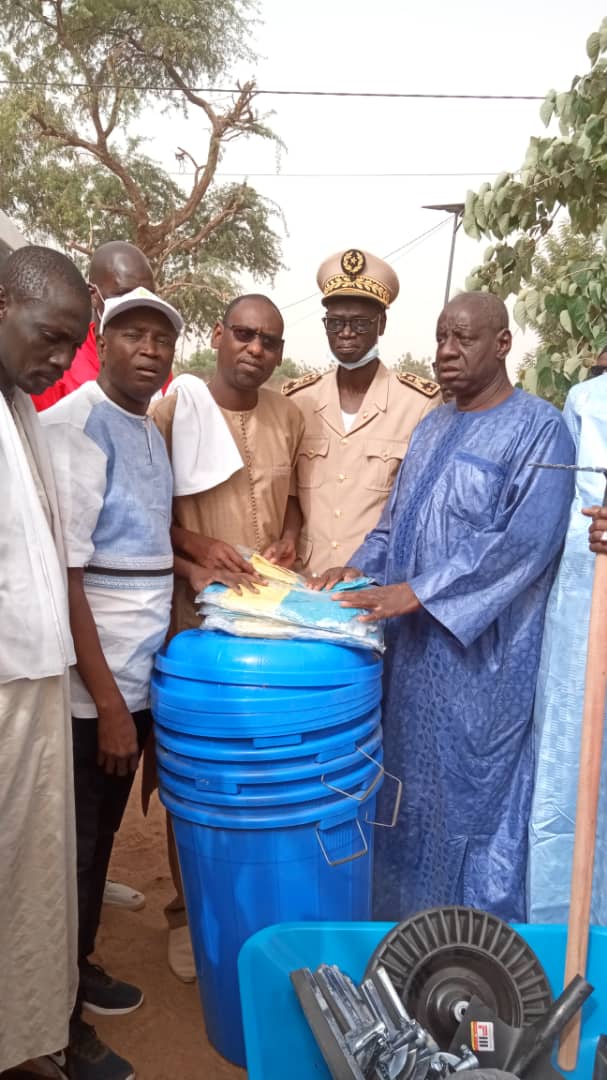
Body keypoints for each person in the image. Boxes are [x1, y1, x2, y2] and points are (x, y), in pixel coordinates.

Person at [312, 292, 575, 923]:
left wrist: (418, 592)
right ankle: (399, 945)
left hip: (481, 671)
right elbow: (395, 522)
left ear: (503, 344)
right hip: (409, 663)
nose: (447, 353)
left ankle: (467, 960)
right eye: (440, 339)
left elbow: (522, 545)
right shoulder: (431, 427)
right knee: (405, 800)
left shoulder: (541, 430)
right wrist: (361, 565)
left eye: (463, 339)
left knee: (472, 808)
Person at [41, 286, 184, 1080]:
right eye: (132, 334)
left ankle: (78, 966)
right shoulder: (76, 428)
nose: (149, 351)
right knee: (73, 853)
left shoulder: (145, 427)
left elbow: (146, 539)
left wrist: (197, 553)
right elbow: (66, 578)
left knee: (91, 860)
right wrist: (105, 703)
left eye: (162, 339)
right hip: (88, 694)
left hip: (130, 685)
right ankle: (55, 1026)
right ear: (104, 340)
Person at [151, 292, 305, 980]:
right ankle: (188, 913)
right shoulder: (172, 409)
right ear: (218, 335)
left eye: (269, 341)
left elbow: (295, 501)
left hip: (270, 627)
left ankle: (250, 909)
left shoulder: (288, 414)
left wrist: (294, 537)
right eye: (243, 335)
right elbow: (141, 511)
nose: (255, 350)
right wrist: (195, 541)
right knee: (191, 773)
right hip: (193, 624)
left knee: (259, 773)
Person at [0, 246, 90, 1074]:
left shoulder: (17, 405)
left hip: (33, 677)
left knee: (32, 875)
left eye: (72, 344)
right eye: (51, 335)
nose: (61, 360)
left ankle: (24, 1037)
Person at [282, 248, 440, 574]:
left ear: (381, 324)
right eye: (336, 322)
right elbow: (289, 496)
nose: (346, 332)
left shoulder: (420, 403)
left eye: (360, 322)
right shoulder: (298, 400)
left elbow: (417, 508)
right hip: (303, 582)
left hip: (373, 585)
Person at [528, 365, 607, 924]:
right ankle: (571, 942)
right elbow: (560, 509)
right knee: (571, 782)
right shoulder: (586, 400)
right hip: (585, 605)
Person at [31, 240, 155, 413]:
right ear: (92, 295)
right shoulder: (57, 365)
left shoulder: (156, 359)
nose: (138, 308)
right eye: (125, 296)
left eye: (148, 298)